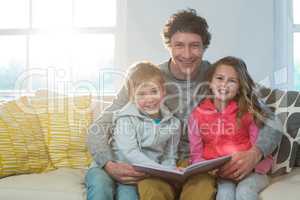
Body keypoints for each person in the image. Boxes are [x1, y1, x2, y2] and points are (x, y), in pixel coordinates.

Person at [85, 8, 282, 200]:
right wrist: (108, 163)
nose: (187, 54)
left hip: (198, 166)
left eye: (195, 45)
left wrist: (256, 153)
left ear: (204, 47)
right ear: (168, 46)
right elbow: (100, 125)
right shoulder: (147, 78)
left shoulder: (218, 77)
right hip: (156, 162)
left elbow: (271, 121)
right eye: (179, 45)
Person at [188, 56, 274, 200]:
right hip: (223, 175)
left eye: (232, 81)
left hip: (252, 173)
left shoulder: (247, 111)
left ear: (240, 87)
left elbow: (256, 147)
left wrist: (252, 168)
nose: (224, 85)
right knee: (225, 194)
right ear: (210, 82)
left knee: (245, 192)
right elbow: (196, 155)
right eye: (220, 78)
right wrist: (212, 171)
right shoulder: (196, 115)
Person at [111, 61, 181, 200]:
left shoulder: (174, 123)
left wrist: (169, 171)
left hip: (152, 172)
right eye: (141, 94)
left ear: (163, 91)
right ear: (132, 96)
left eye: (154, 91)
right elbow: (130, 152)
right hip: (127, 172)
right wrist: (163, 170)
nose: (149, 99)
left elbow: (170, 155)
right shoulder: (125, 119)